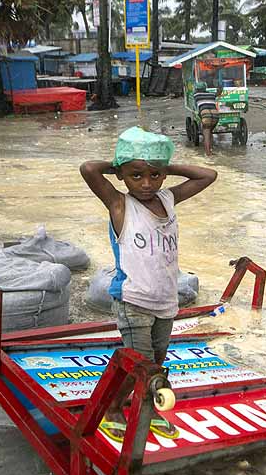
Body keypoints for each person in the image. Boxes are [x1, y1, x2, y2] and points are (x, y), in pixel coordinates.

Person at [80, 130, 218, 441]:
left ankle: (147, 408)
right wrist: (119, 163)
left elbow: (208, 175)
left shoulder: (168, 198)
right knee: (139, 363)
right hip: (134, 301)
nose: (146, 183)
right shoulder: (119, 204)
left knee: (156, 362)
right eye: (136, 175)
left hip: (166, 302)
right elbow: (88, 169)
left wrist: (167, 166)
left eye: (154, 175)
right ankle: (113, 408)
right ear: (122, 176)